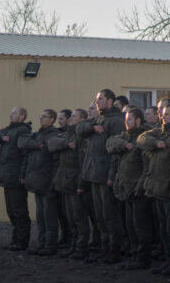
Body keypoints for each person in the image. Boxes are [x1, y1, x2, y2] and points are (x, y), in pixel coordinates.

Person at [77, 89, 127, 264]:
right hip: (94, 174)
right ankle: (104, 249)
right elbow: (80, 128)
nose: (97, 102)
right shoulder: (98, 119)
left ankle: (114, 250)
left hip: (106, 174)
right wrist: (92, 128)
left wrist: (111, 175)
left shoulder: (116, 121)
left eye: (101, 99)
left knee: (109, 215)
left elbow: (115, 152)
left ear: (110, 101)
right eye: (97, 99)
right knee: (99, 215)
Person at [138, 103, 170, 277]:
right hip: (157, 188)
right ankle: (168, 260)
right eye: (162, 113)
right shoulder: (160, 132)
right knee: (163, 229)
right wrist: (156, 142)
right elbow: (141, 139)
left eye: (167, 114)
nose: (163, 116)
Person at [106, 108, 152, 270]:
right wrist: (124, 145)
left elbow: (147, 168)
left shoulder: (143, 138)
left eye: (130, 120)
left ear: (138, 121)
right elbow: (110, 143)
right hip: (125, 188)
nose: (126, 123)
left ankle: (143, 258)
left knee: (140, 226)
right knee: (130, 225)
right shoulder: (126, 137)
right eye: (126, 120)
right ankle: (134, 255)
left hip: (137, 189)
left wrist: (139, 187)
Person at [18, 109, 62, 255]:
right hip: (37, 181)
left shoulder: (54, 135)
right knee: (40, 216)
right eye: (40, 116)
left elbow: (56, 162)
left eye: (44, 117)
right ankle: (42, 243)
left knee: (49, 216)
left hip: (47, 182)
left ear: (52, 119)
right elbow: (22, 143)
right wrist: (37, 145)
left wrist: (53, 182)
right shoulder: (37, 135)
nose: (40, 119)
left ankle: (50, 245)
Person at [49, 109, 91, 259]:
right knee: (70, 217)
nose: (71, 118)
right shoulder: (68, 134)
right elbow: (51, 144)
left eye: (74, 116)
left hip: (75, 181)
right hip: (65, 180)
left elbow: (83, 163)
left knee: (79, 217)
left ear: (82, 120)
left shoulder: (82, 137)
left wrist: (81, 184)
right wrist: (66, 144)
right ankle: (73, 246)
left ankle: (81, 248)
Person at [0, 107, 33, 250]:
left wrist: (22, 174)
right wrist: (1, 137)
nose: (11, 115)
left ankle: (22, 241)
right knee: (11, 210)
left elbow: (26, 154)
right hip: (7, 176)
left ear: (22, 116)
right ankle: (16, 239)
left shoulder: (23, 131)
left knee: (19, 210)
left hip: (16, 177)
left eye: (14, 113)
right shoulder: (9, 130)